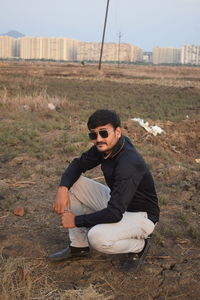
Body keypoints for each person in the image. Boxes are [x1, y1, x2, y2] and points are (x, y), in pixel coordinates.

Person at [48, 109, 160, 271]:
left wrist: (76, 221)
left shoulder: (128, 162)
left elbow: (114, 213)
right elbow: (78, 164)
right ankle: (79, 247)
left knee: (97, 237)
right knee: (73, 183)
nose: (99, 139)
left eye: (103, 133)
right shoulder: (107, 147)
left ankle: (139, 246)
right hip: (119, 201)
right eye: (93, 135)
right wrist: (62, 188)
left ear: (118, 132)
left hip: (141, 215)